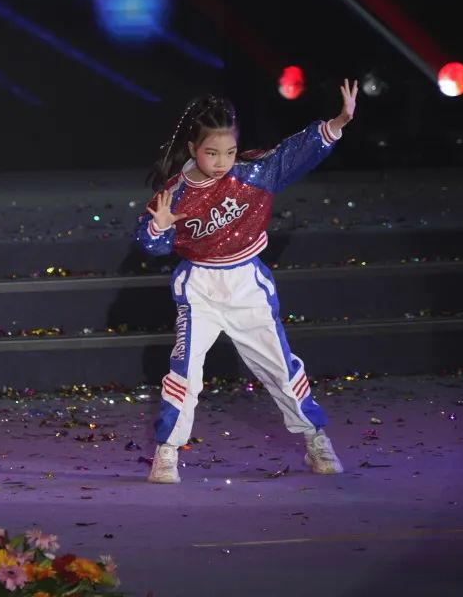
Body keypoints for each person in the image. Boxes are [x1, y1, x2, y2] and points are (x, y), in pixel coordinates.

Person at [136, 80, 359, 483]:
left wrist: (338, 123)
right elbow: (149, 243)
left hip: (247, 286)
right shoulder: (175, 193)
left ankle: (315, 438)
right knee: (184, 371)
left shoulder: (255, 173)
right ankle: (166, 450)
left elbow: (294, 152)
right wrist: (160, 228)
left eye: (229, 151)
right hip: (200, 289)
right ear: (193, 148)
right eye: (211, 152)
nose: (222, 161)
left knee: (280, 368)